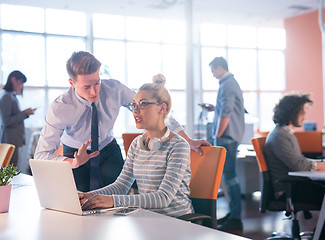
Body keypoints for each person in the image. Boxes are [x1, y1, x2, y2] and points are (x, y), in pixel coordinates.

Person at [35, 51, 208, 192]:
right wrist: (72, 162)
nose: (94, 91)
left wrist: (188, 140)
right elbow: (41, 155)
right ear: (72, 83)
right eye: (87, 87)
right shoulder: (59, 108)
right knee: (79, 202)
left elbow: (153, 108)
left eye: (97, 82)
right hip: (75, 154)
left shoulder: (114, 89)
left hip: (107, 148)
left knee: (117, 197)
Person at [79, 82, 193, 217]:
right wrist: (89, 195)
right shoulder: (137, 144)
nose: (136, 110)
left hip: (177, 221)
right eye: (134, 105)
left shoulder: (179, 146)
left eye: (143, 104)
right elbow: (121, 186)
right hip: (147, 219)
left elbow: (163, 198)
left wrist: (113, 201)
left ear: (162, 108)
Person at [264, 93, 325, 237]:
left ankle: (322, 235)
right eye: (302, 112)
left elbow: (300, 161)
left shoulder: (285, 134)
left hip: (295, 185)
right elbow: (300, 165)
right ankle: (321, 236)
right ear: (292, 112)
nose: (304, 117)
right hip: (287, 190)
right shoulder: (279, 136)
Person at [201, 57, 245, 231]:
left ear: (220, 68)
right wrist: (214, 108)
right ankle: (234, 213)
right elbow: (226, 108)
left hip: (226, 137)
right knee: (228, 177)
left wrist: (217, 136)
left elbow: (226, 113)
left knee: (230, 177)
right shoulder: (230, 83)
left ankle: (236, 218)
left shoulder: (227, 85)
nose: (213, 75)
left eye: (213, 71)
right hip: (230, 136)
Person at [0, 70, 36, 167]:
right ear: (13, 79)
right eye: (20, 83)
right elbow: (6, 121)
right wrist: (24, 113)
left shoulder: (12, 96)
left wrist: (25, 114)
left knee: (13, 168)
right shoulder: (6, 97)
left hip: (14, 140)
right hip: (10, 140)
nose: (21, 86)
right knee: (11, 169)